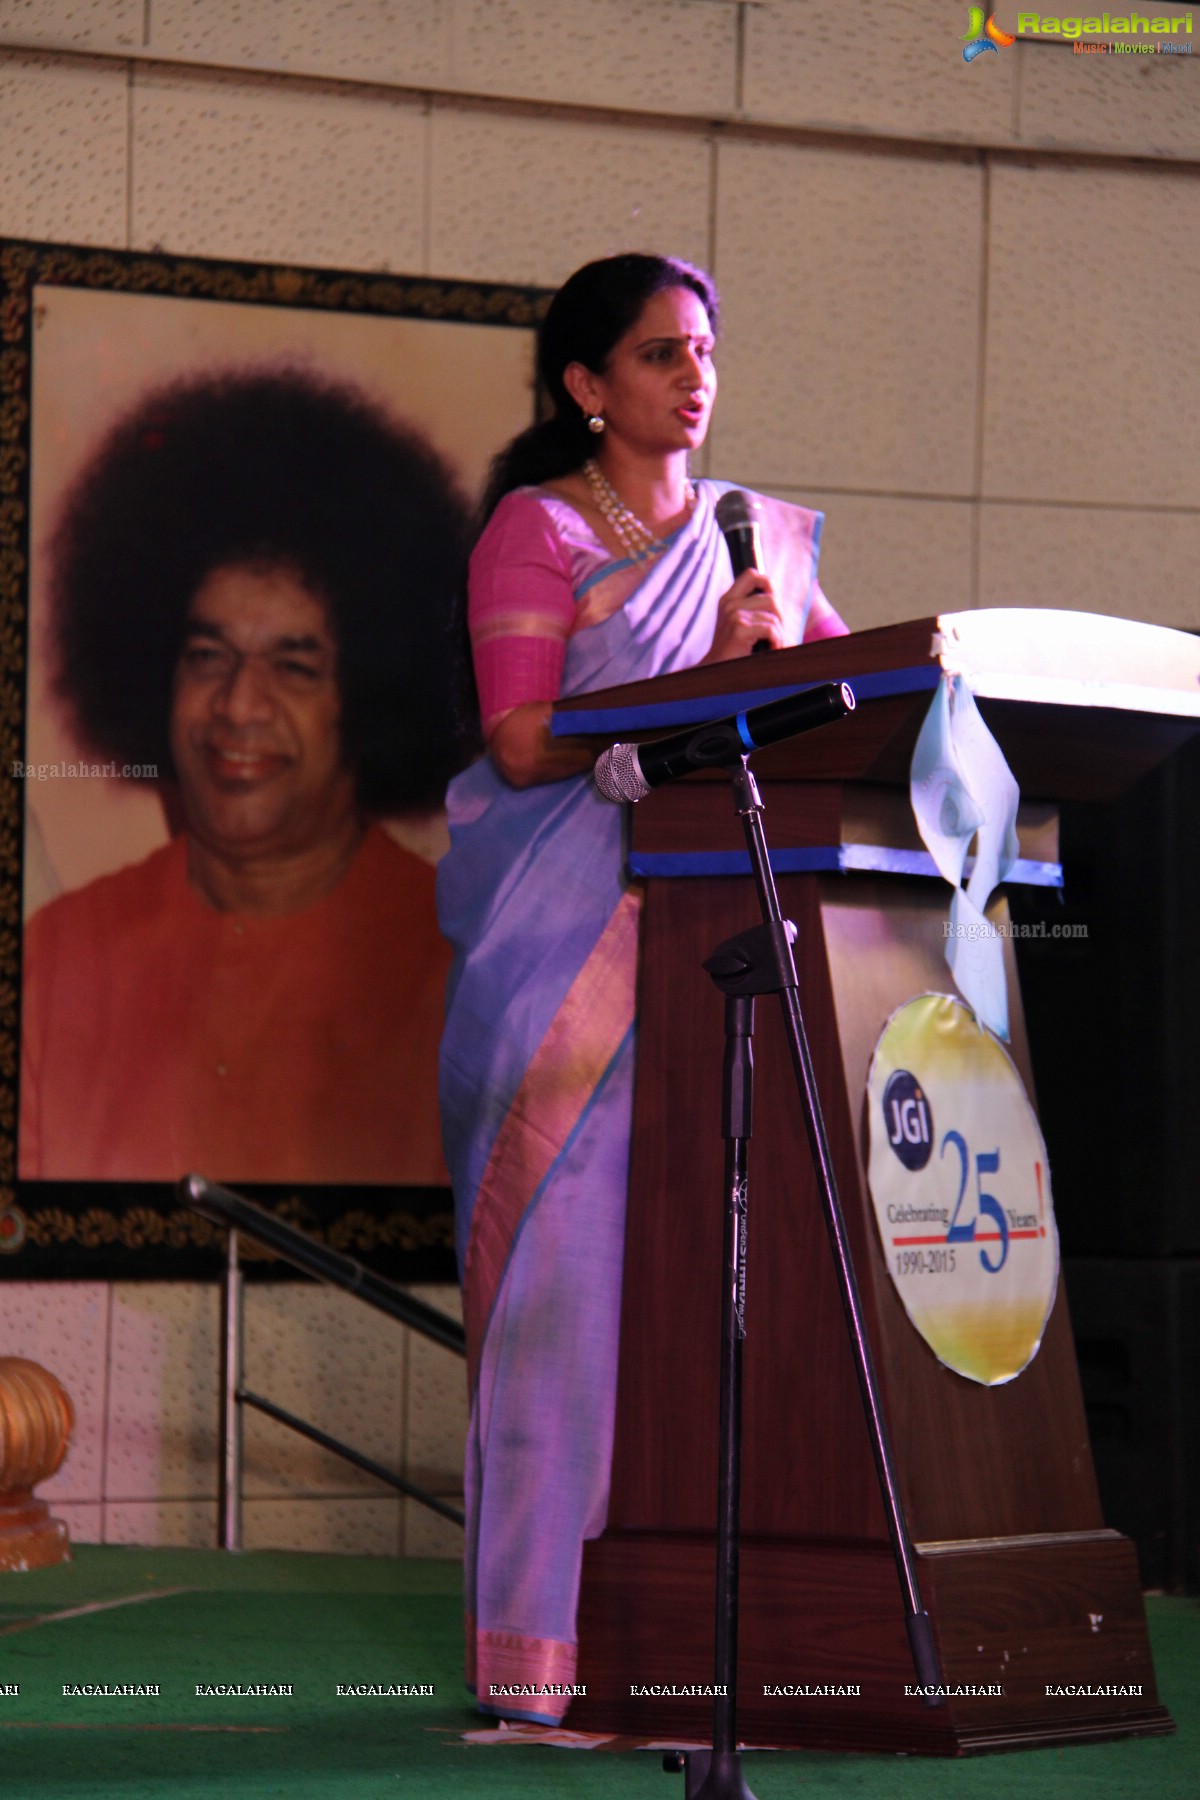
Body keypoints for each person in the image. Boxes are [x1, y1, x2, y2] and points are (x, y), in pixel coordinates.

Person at [437, 253, 849, 1721]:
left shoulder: (761, 548)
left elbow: (844, 709)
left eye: (707, 351)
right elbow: (525, 743)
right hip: (569, 973)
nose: (695, 377)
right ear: (586, 387)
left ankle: (676, 1643)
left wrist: (778, 668)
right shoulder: (538, 534)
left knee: (711, 1310)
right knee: (563, 1317)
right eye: (662, 353)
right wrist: (708, 684)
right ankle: (531, 1670)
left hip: (725, 966)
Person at [20, 368, 469, 1186]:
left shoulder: (454, 967)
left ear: (365, 700)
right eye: (207, 657)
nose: (237, 705)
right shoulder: (58, 960)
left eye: (293, 668)